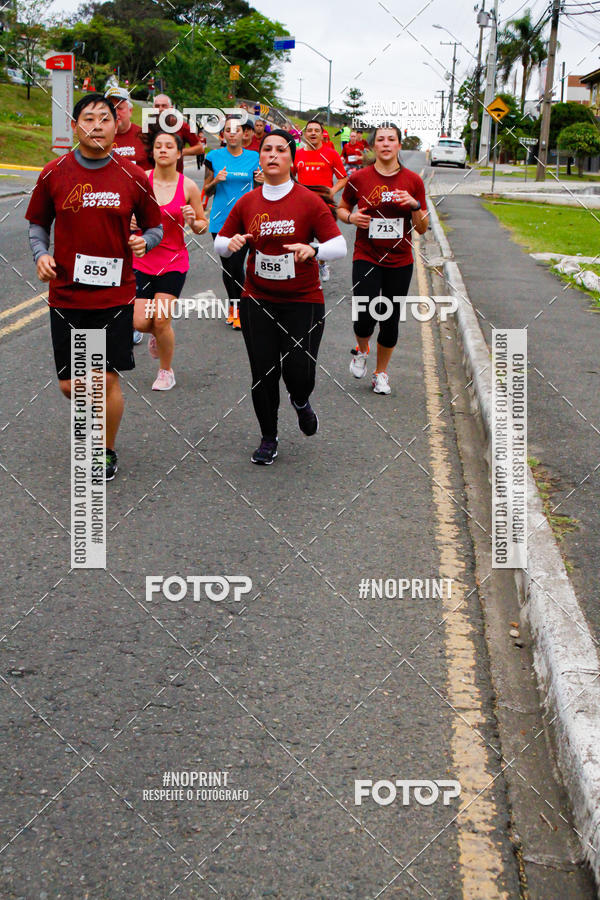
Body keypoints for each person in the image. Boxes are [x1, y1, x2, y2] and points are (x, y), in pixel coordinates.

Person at [26, 93, 163, 479]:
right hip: (67, 294)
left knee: (105, 378)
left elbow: (154, 226)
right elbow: (37, 223)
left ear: (115, 126)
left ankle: (105, 451)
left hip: (115, 293)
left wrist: (145, 242)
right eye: (89, 118)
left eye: (105, 118)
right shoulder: (54, 173)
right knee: (72, 385)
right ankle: (92, 422)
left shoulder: (133, 176)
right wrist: (40, 254)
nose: (97, 125)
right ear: (75, 126)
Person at [214, 129, 347, 465]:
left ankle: (300, 401)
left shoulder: (308, 201)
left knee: (299, 373)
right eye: (267, 150)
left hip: (303, 300)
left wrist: (313, 249)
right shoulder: (248, 202)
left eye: (280, 150)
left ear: (291, 159)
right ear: (260, 157)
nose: (272, 155)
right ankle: (268, 438)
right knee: (263, 372)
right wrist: (230, 245)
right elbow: (221, 241)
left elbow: (339, 245)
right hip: (257, 299)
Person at [337, 124, 428, 395]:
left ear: (399, 145)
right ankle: (362, 349)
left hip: (400, 260)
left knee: (389, 319)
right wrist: (352, 218)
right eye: (381, 140)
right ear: (373, 146)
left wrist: (413, 205)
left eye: (391, 139)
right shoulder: (360, 178)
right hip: (366, 255)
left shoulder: (413, 181)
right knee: (364, 315)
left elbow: (422, 227)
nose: (386, 144)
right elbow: (342, 208)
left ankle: (380, 373)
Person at [133, 130, 208, 391]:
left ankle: (166, 371)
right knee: (141, 322)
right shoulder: (140, 180)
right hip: (141, 259)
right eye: (158, 146)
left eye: (169, 146)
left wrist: (192, 220)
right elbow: (122, 214)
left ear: (179, 153)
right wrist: (129, 221)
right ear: (152, 153)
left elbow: (202, 226)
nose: (163, 150)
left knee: (162, 319)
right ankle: (158, 335)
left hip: (173, 261)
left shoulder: (187, 186)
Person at [105, 85, 153, 346]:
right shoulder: (101, 138)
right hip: (108, 212)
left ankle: (133, 320)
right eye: (111, 108)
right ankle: (114, 319)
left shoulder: (144, 136)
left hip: (137, 213)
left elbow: (159, 176)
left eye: (120, 107)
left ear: (130, 109)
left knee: (134, 270)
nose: (116, 112)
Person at [203, 117, 260, 329]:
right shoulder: (213, 156)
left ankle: (240, 308)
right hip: (220, 221)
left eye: (237, 130)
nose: (233, 133)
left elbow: (260, 189)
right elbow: (207, 189)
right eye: (228, 130)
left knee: (237, 265)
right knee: (228, 268)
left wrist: (261, 183)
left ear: (243, 134)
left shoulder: (254, 157)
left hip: (245, 221)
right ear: (223, 135)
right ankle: (235, 307)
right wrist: (216, 180)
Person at [295, 120, 347, 283]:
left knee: (325, 240)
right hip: (303, 204)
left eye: (316, 130)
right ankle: (303, 272)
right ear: (304, 134)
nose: (312, 133)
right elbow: (287, 175)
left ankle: (322, 263)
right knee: (300, 238)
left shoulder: (331, 154)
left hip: (325, 205)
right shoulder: (297, 154)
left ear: (322, 134)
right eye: (309, 130)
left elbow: (343, 178)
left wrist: (331, 191)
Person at [152, 94, 204, 172]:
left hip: (175, 176)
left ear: (171, 108)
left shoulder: (181, 126)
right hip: (152, 176)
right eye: (157, 106)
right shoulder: (148, 126)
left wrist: (178, 152)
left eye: (164, 106)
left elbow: (199, 148)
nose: (160, 109)